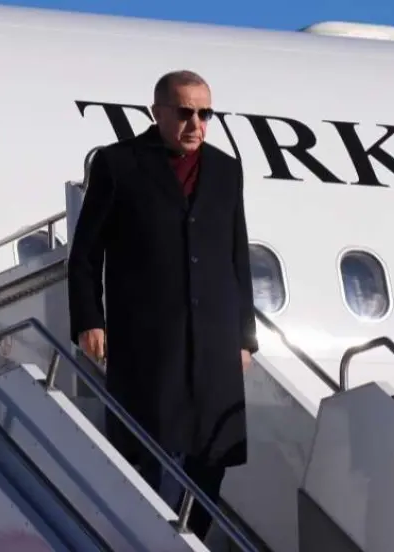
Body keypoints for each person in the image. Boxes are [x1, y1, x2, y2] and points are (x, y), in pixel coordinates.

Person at [67, 69, 259, 540]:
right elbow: (86, 253)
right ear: (158, 112)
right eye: (186, 112)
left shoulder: (226, 170)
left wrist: (244, 336)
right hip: (149, 338)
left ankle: (192, 540)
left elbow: (237, 255)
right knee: (147, 449)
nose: (196, 124)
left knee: (212, 453)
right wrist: (90, 320)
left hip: (214, 340)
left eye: (205, 113)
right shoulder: (120, 164)